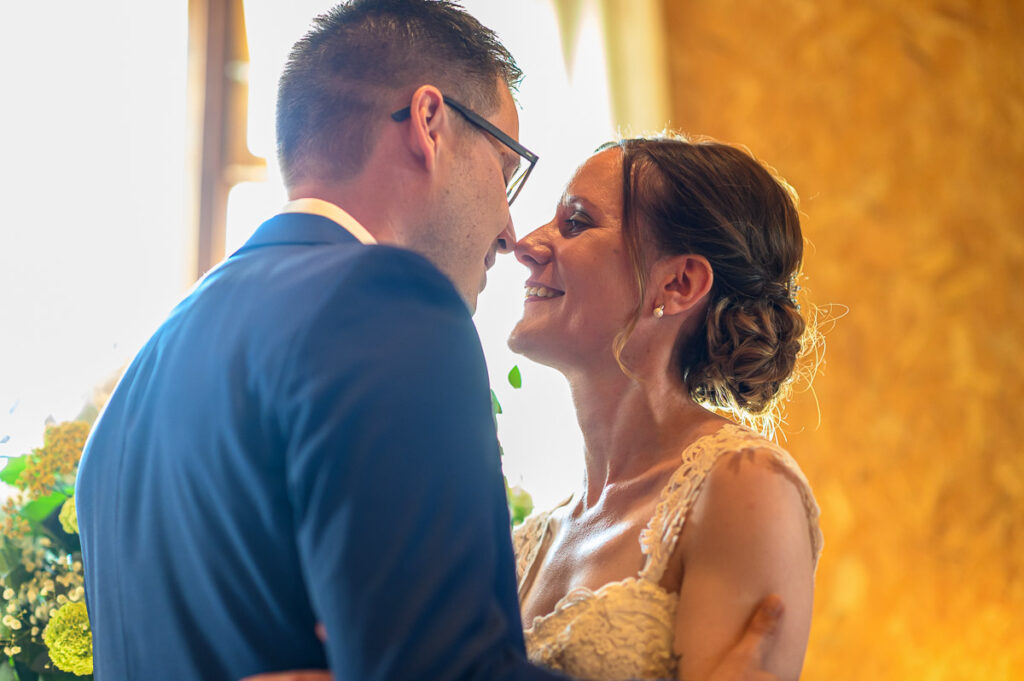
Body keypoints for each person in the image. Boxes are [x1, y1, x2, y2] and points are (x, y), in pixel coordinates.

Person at [75, 1, 787, 679]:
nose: (513, 231)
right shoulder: (387, 302)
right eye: (507, 169)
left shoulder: (138, 388)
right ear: (429, 123)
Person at [508, 137, 823, 681]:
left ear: (678, 283)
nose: (527, 243)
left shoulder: (744, 487)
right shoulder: (526, 541)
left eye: (576, 222)